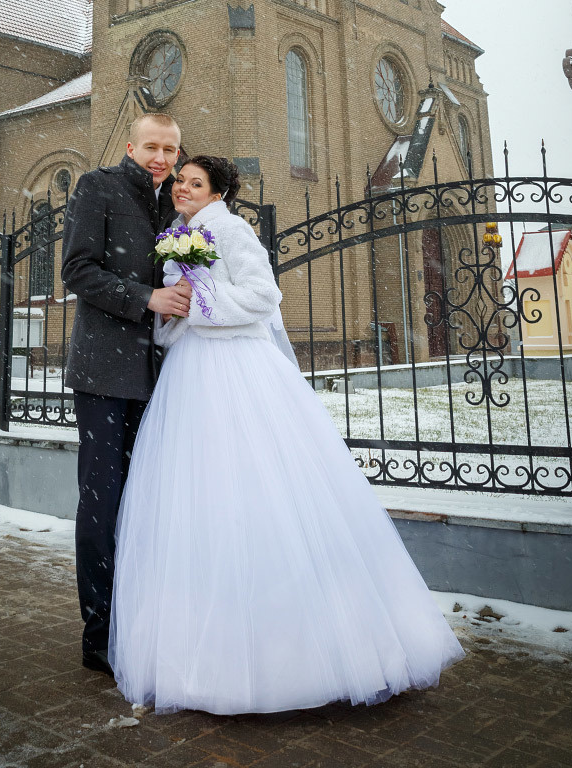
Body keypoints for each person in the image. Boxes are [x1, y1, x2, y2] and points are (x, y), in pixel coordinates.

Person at [109, 154, 464, 714]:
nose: (182, 187)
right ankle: (203, 652)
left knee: (256, 493)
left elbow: (262, 297)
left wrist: (199, 304)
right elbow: (177, 316)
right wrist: (172, 314)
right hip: (190, 374)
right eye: (180, 180)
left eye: (195, 182)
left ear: (219, 191)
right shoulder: (177, 235)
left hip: (236, 374)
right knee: (202, 502)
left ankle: (290, 655)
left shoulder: (228, 229)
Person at [61, 112, 189, 674]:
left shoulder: (177, 206)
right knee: (102, 501)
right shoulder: (98, 188)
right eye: (152, 147)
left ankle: (140, 621)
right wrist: (145, 298)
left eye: (171, 149)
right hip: (104, 374)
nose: (161, 158)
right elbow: (78, 270)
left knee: (147, 501)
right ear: (132, 145)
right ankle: (100, 632)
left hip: (160, 376)